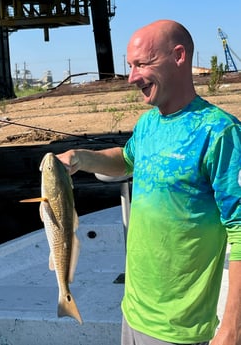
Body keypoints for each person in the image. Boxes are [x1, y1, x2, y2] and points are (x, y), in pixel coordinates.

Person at [57, 19, 241, 345]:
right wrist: (81, 158)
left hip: (178, 330)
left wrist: (231, 330)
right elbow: (127, 160)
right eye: (130, 66)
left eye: (142, 64)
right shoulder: (147, 124)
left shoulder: (221, 132)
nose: (132, 77)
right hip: (132, 311)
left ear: (179, 56)